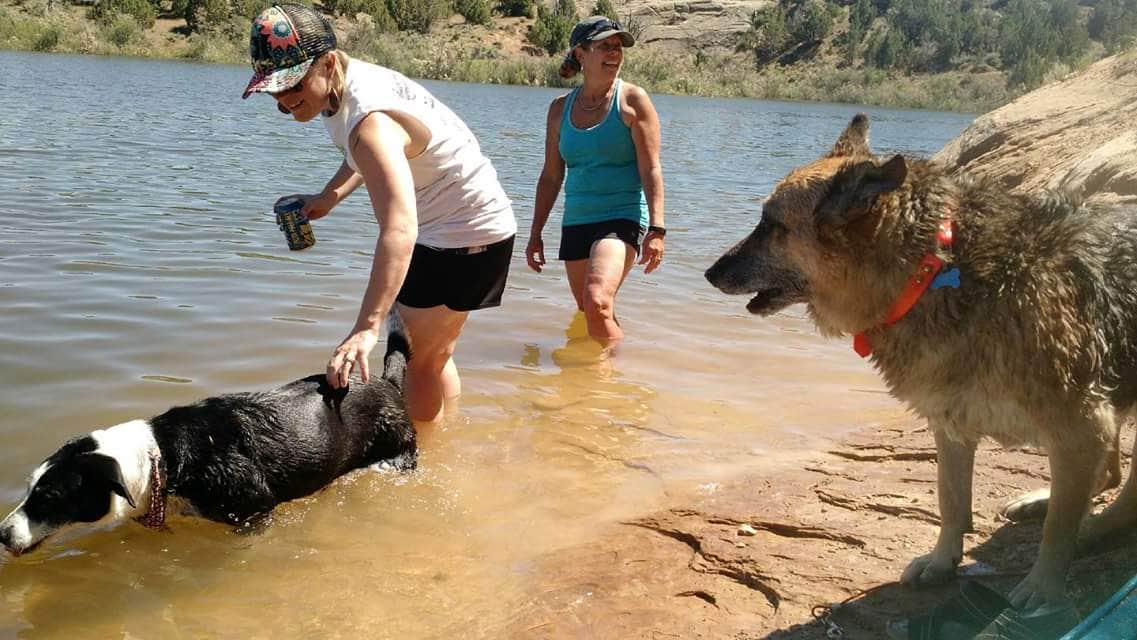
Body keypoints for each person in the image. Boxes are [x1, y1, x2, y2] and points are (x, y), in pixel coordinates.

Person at [242, 3, 517, 423]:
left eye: (290, 85)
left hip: (461, 233)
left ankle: (420, 465)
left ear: (327, 62)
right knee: (434, 355)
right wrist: (330, 196)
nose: (282, 101)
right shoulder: (345, 84)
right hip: (466, 226)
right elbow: (365, 157)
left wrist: (365, 328)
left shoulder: (368, 119)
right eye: (272, 89)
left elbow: (398, 228)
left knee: (413, 362)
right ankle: (446, 441)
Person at [526, 15, 665, 347]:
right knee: (589, 309)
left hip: (622, 214)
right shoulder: (559, 110)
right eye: (605, 46)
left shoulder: (633, 101)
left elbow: (652, 169)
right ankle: (599, 387)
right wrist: (535, 234)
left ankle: (612, 376)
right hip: (577, 219)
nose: (615, 53)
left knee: (597, 300)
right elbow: (550, 176)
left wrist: (658, 229)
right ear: (580, 53)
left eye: (618, 47)